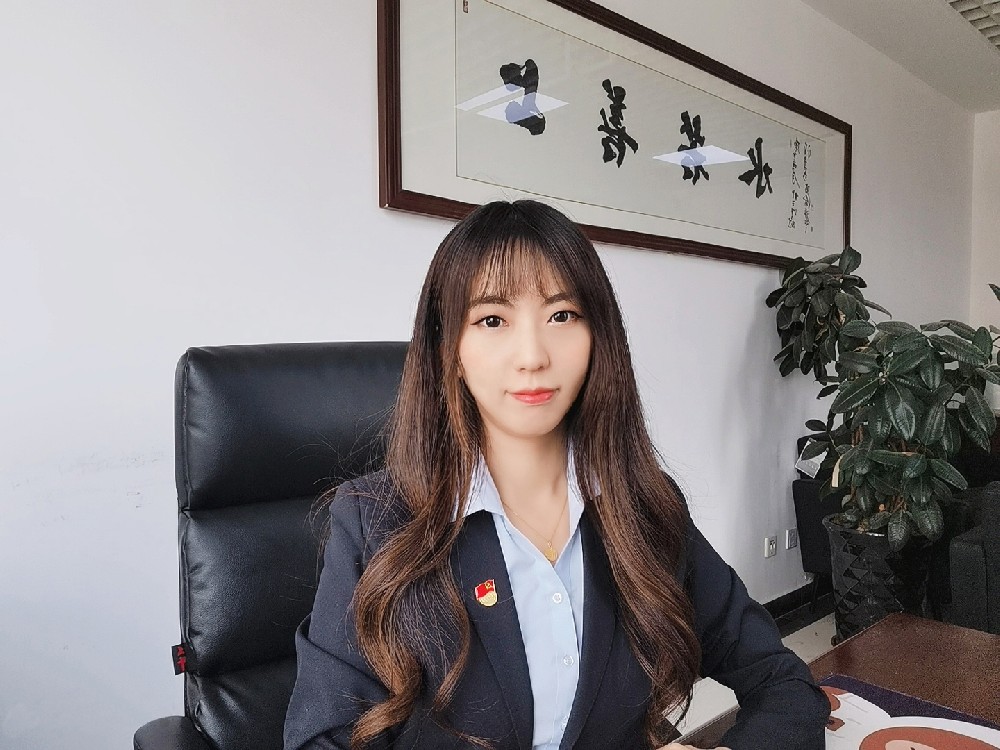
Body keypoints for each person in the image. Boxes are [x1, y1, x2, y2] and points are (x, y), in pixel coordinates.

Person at [284, 200, 829, 750]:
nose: (532, 356)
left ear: (598, 336)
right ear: (450, 348)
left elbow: (784, 682)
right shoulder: (375, 524)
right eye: (492, 320)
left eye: (562, 315)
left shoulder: (645, 509)